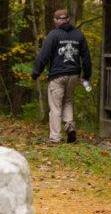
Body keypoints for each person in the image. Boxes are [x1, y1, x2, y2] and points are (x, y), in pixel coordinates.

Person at [32, 9, 91, 144]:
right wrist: (86, 75)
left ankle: (55, 138)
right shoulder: (79, 35)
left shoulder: (53, 35)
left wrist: (36, 72)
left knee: (55, 106)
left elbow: (44, 55)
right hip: (74, 74)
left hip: (57, 75)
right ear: (68, 19)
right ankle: (70, 127)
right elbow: (86, 57)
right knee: (68, 101)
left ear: (57, 21)